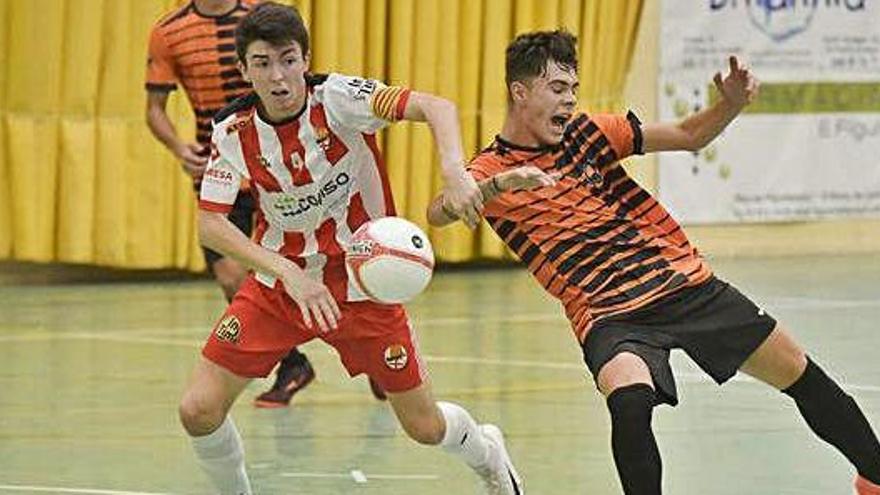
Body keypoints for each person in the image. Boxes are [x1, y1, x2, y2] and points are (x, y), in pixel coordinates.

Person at [428, 30, 880, 495]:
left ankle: (875, 477)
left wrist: (730, 104)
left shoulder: (590, 132)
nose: (569, 101)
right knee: (629, 401)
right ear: (520, 93)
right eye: (557, 89)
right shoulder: (491, 170)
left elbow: (688, 135)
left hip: (683, 282)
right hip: (608, 312)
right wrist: (493, 190)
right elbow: (440, 212)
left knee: (800, 372)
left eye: (573, 90)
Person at [179, 3, 524, 494]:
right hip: (283, 283)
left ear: (305, 58)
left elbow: (436, 107)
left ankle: (488, 452)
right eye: (262, 63)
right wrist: (287, 272)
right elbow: (211, 225)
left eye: (288, 59)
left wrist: (454, 170)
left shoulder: (340, 98)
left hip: (364, 282)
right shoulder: (233, 131)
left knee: (424, 427)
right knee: (198, 410)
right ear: (244, 70)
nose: (278, 76)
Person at [145, 0, 386, 407]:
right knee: (230, 274)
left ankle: (375, 354)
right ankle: (292, 363)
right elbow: (154, 110)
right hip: (226, 165)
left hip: (287, 167)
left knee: (335, 257)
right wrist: (177, 147)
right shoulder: (169, 31)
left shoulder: (260, 17)